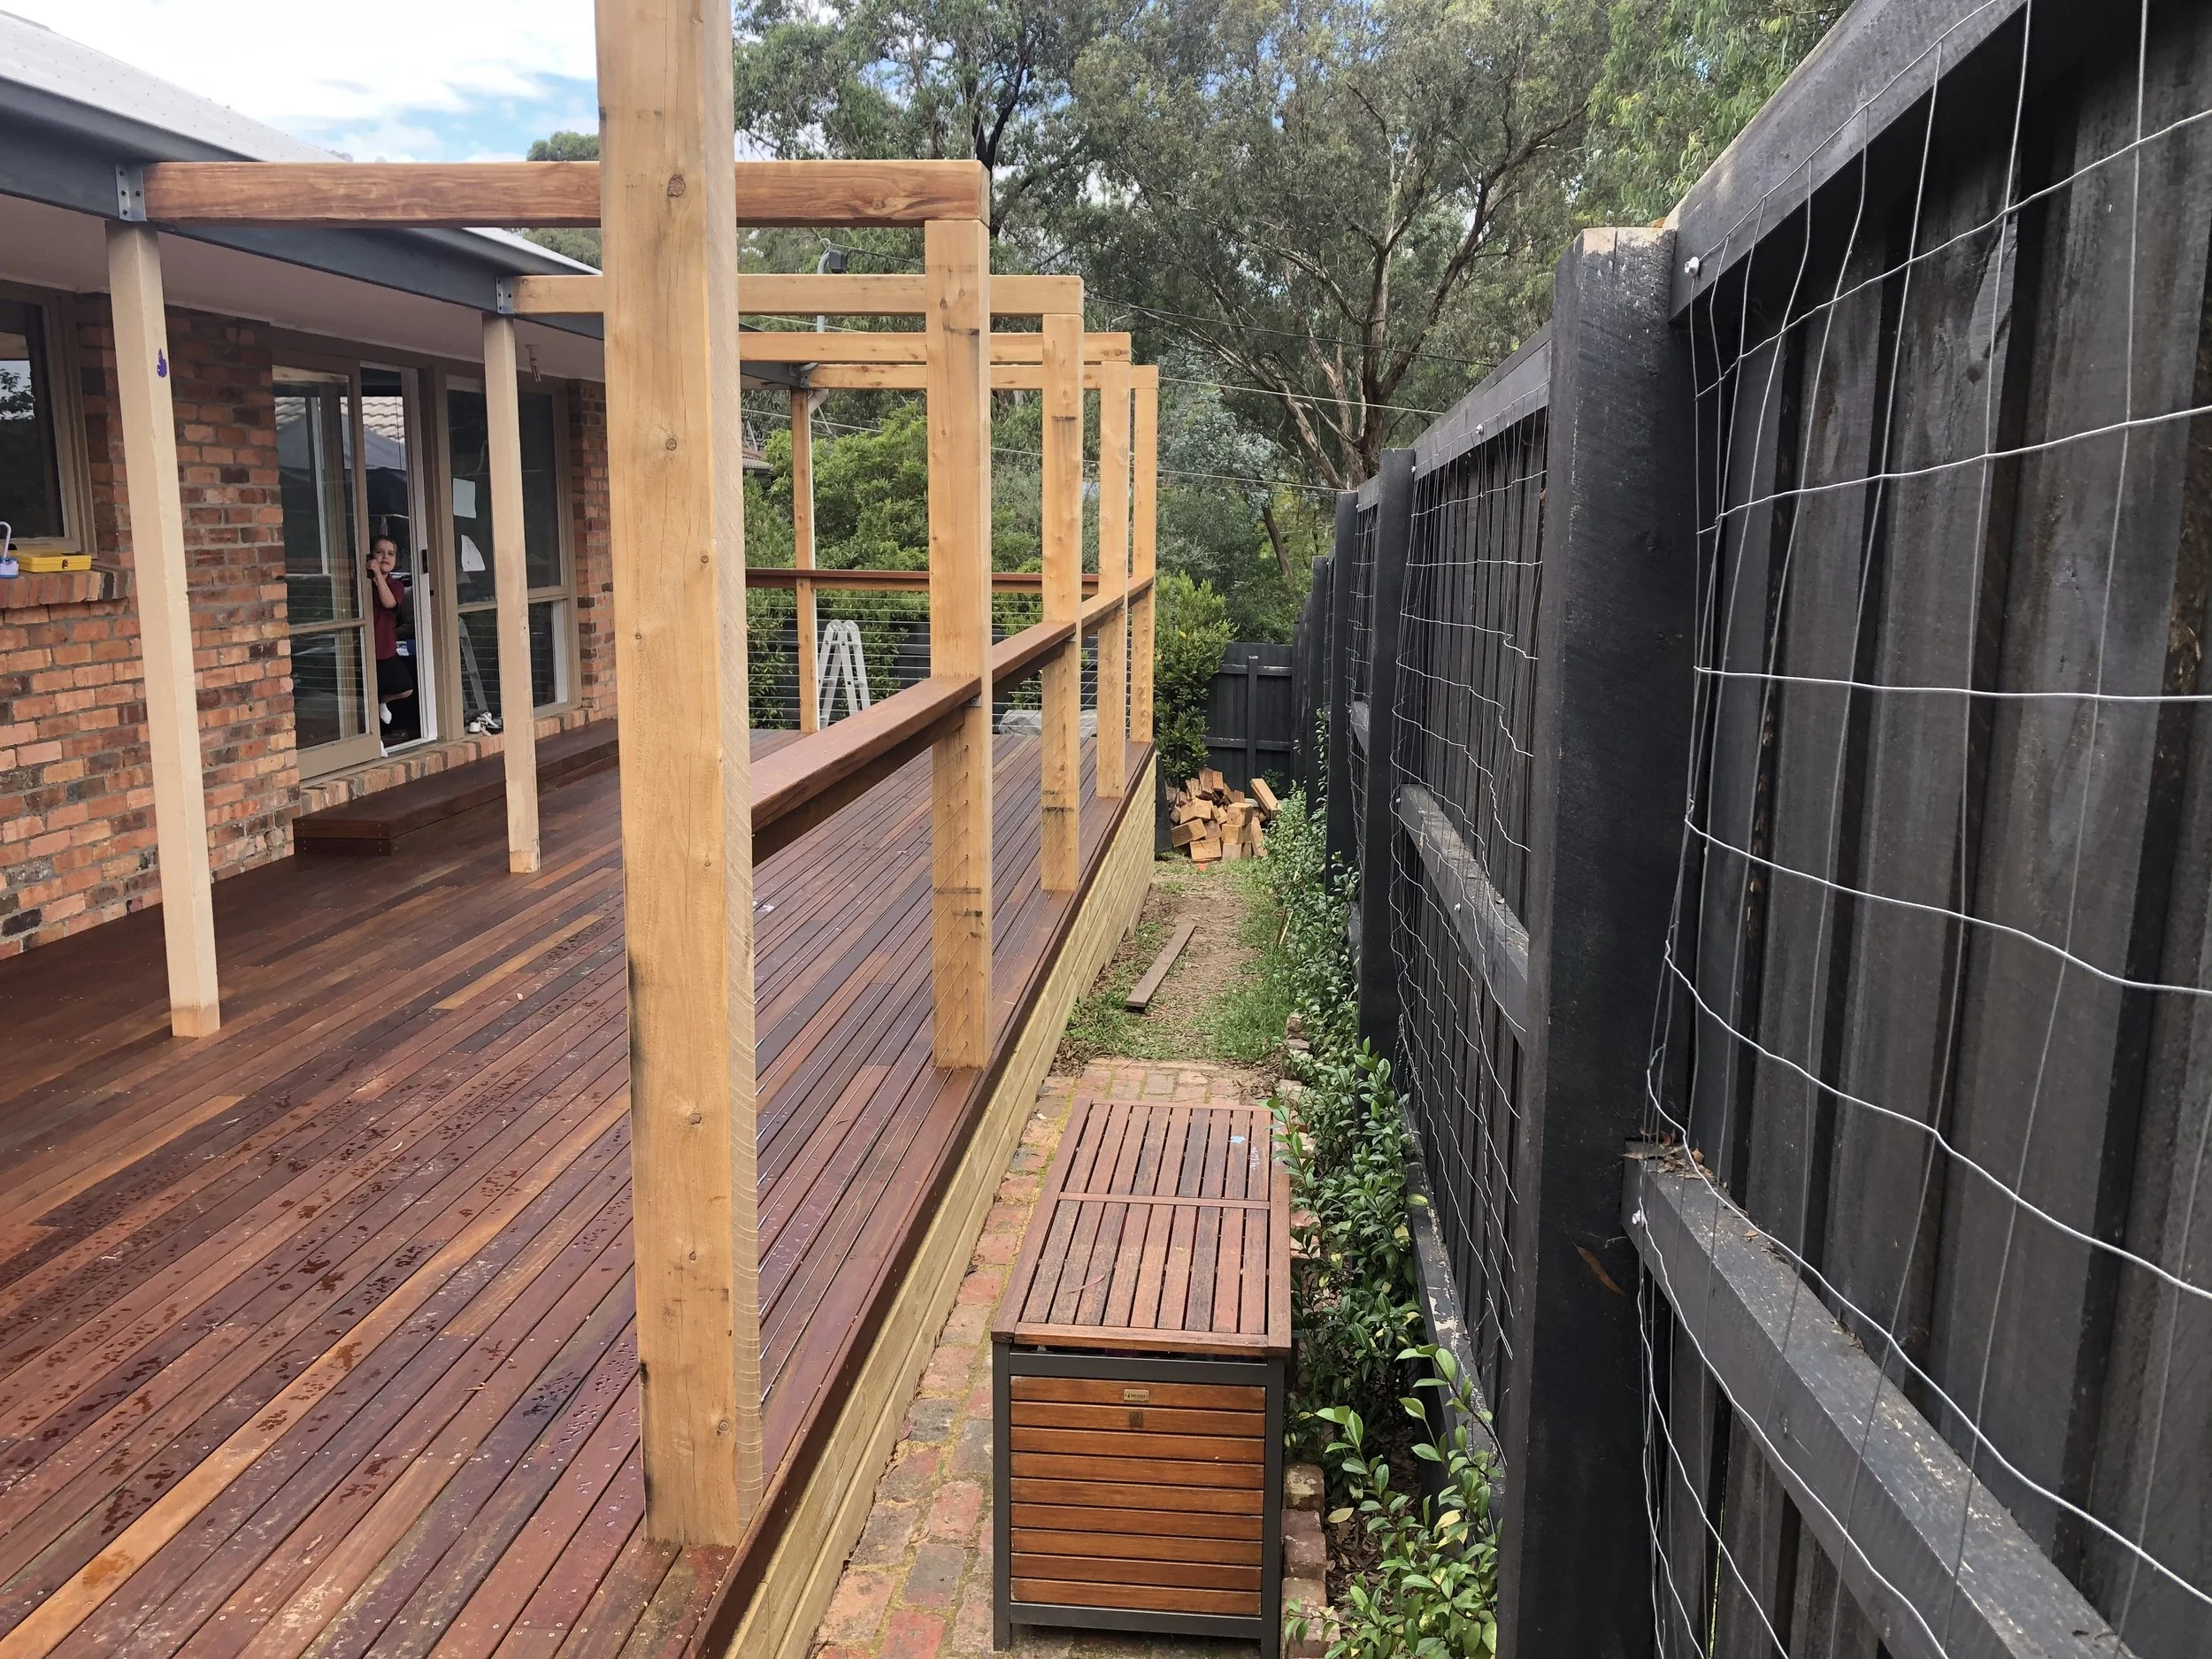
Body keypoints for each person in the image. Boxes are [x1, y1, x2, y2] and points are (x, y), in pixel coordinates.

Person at [368, 536, 419, 743]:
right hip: (367, 649)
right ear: (371, 555)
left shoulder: (395, 586)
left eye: (390, 553)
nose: (385, 557)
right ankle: (376, 742)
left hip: (386, 649)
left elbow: (388, 602)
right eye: (380, 552)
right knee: (370, 694)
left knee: (405, 687)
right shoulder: (363, 584)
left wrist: (378, 577)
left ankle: (383, 702)